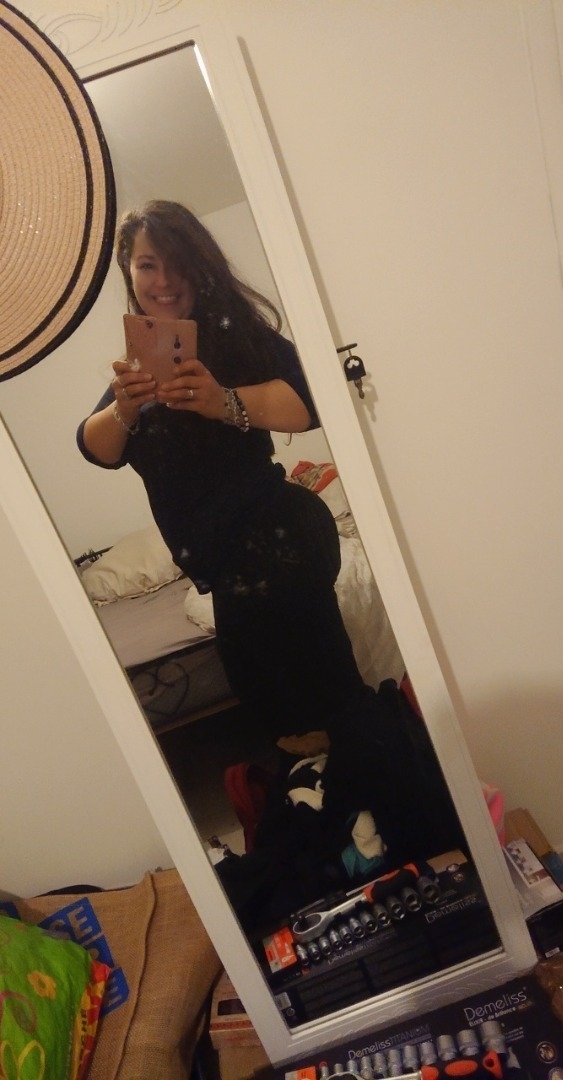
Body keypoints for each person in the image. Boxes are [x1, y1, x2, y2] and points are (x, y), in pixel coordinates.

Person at [77, 199, 367, 739]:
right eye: (147, 265)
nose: (164, 280)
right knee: (281, 708)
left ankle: (367, 775)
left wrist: (223, 401)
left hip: (277, 537)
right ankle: (339, 779)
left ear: (200, 266)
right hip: (231, 564)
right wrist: (124, 406)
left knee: (318, 703)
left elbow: (314, 397)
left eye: (177, 262)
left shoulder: (234, 335)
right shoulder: (142, 364)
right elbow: (96, 448)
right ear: (129, 272)